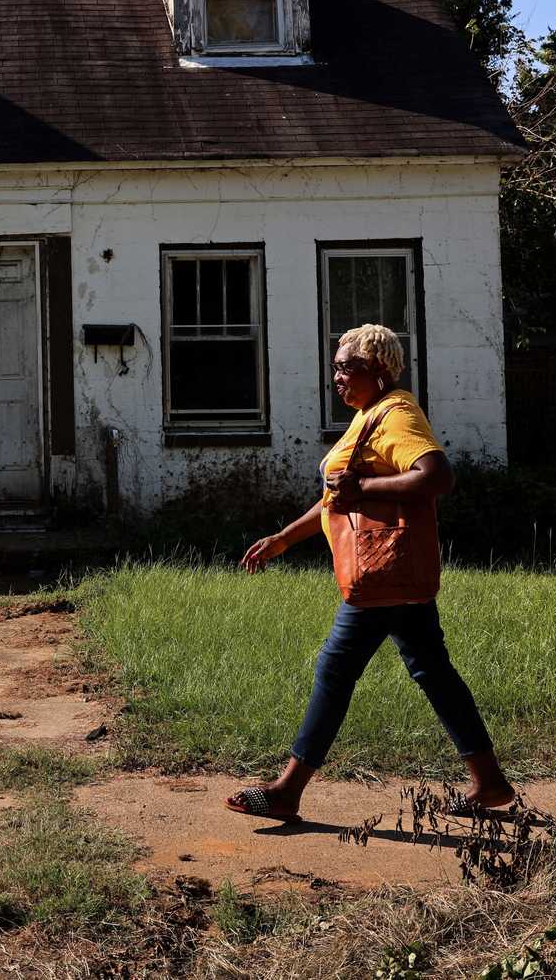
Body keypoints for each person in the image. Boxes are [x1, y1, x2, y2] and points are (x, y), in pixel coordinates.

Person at [225, 323, 513, 822]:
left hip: (380, 576)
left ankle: (288, 790)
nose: (336, 377)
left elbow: (436, 475)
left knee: (336, 671)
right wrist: (284, 539)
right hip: (397, 576)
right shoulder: (367, 416)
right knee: (434, 672)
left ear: (377, 370)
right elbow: (337, 498)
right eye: (335, 367)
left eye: (345, 367)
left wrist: (366, 492)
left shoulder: (396, 413)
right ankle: (489, 782)